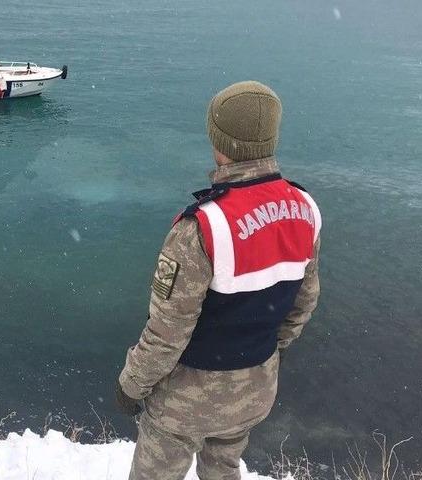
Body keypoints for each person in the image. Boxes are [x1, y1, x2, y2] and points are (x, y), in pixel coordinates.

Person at [115, 81, 322, 480]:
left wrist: (131, 385)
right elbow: (303, 304)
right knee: (224, 466)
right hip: (257, 388)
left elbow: (167, 332)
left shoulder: (203, 227)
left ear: (218, 141)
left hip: (188, 400)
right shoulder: (305, 209)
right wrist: (262, 351)